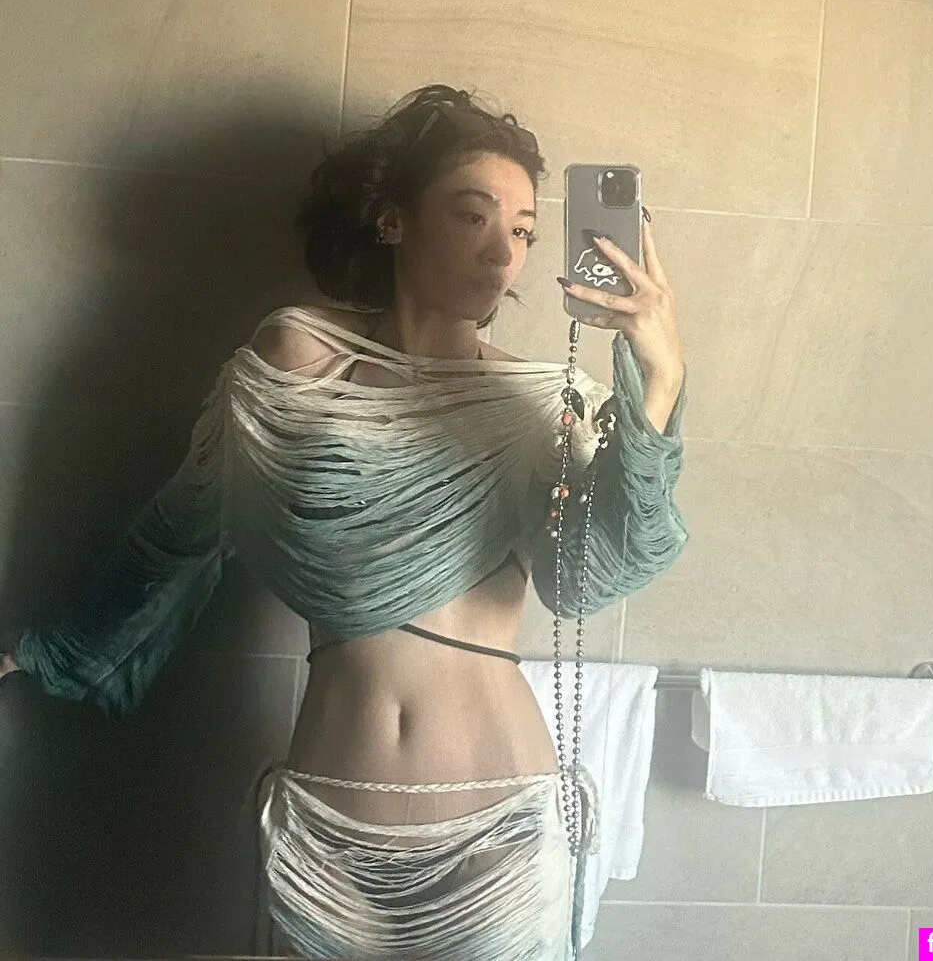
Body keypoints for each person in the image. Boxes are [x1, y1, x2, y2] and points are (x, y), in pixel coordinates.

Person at [0, 84, 688, 960]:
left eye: (522, 231)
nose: (501, 252)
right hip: (326, 837)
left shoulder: (538, 404)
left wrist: (658, 382)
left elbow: (590, 575)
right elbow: (182, 526)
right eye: (472, 215)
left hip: (500, 839)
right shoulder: (297, 361)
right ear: (394, 220)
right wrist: (51, 646)